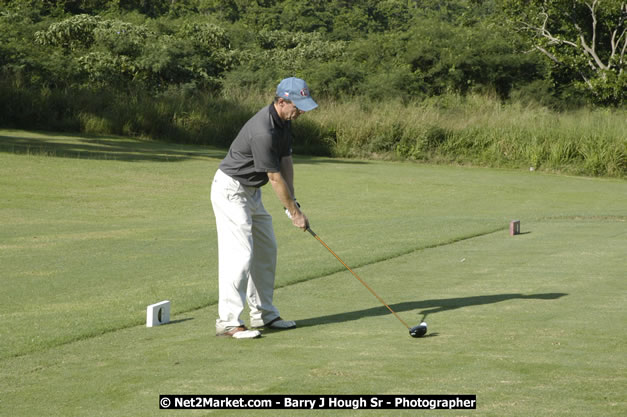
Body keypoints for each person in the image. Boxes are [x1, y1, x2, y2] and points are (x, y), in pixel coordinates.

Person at [210, 77, 318, 339]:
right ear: (281, 101)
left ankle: (263, 314)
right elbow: (273, 177)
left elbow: (286, 161)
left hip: (251, 193)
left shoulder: (284, 122)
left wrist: (293, 201)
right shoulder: (263, 130)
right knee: (241, 255)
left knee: (267, 248)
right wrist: (294, 213)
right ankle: (228, 322)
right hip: (231, 191)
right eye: (297, 105)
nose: (301, 111)